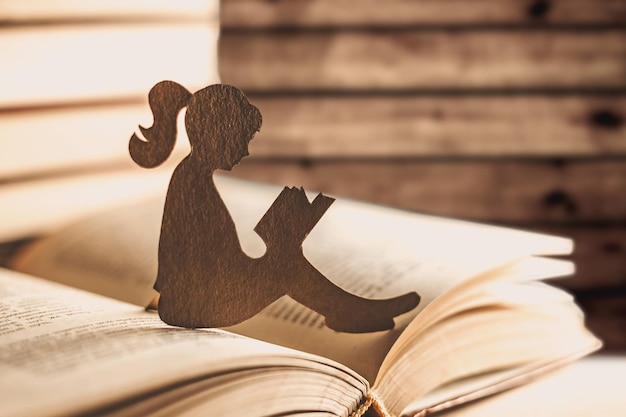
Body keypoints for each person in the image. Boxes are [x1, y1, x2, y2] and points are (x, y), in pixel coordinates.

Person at [130, 81, 419, 333]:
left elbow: (211, 261)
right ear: (217, 135)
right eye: (242, 140)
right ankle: (350, 313)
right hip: (193, 306)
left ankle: (349, 312)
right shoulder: (191, 183)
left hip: (188, 301)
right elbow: (213, 268)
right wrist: (281, 244)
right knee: (286, 267)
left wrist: (279, 243)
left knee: (284, 262)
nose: (245, 151)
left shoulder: (193, 177)